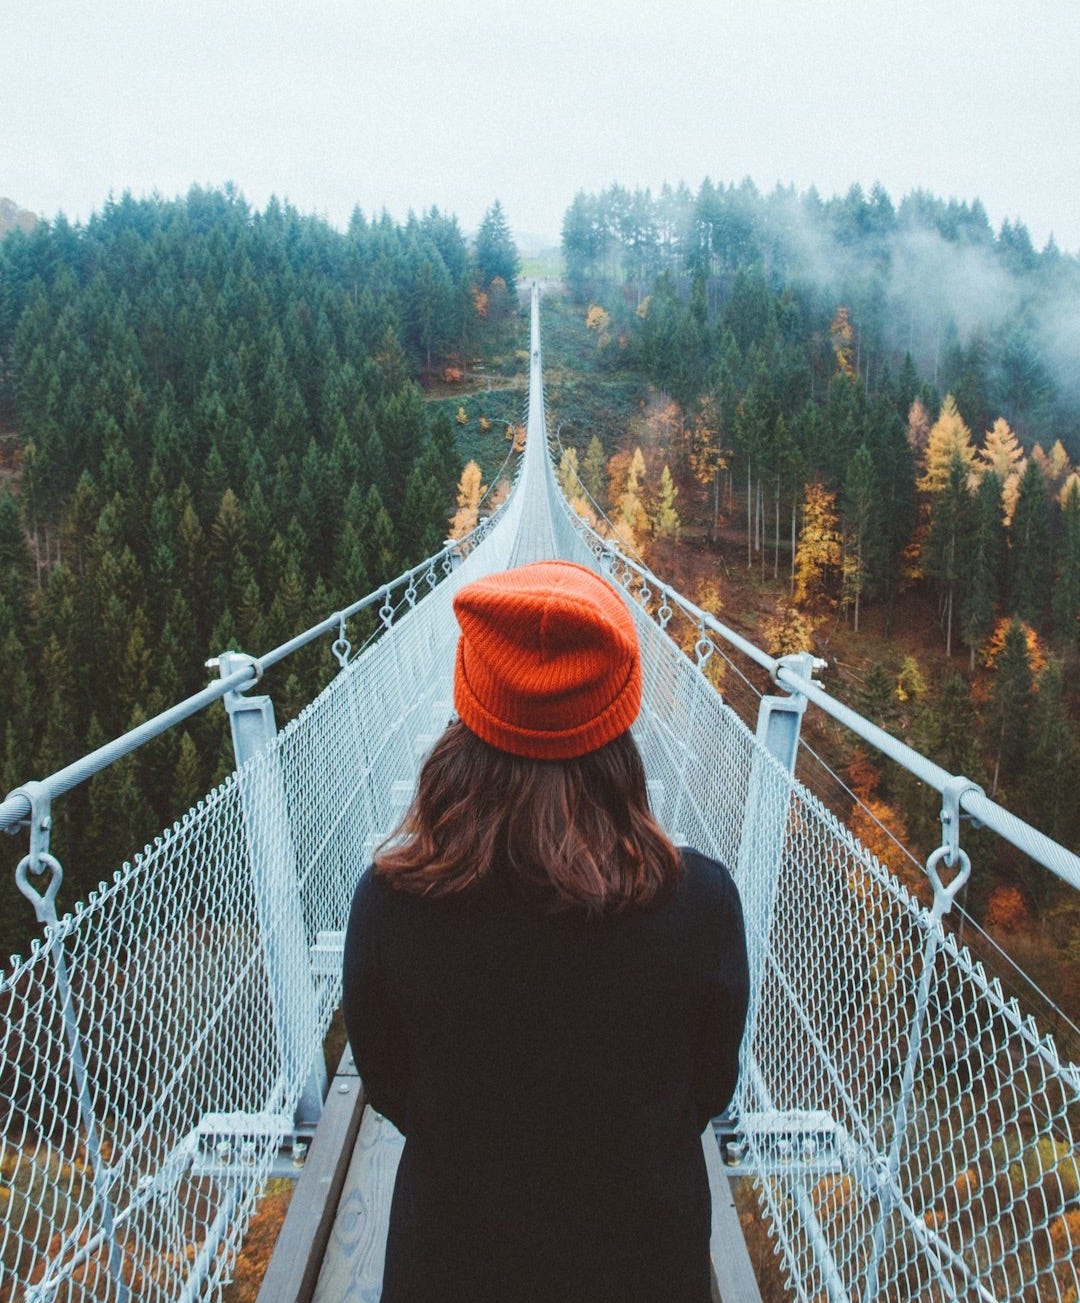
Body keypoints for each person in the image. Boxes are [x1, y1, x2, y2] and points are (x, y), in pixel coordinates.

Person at [342, 560, 749, 1303]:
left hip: (450, 1271)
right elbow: (708, 1088)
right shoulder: (702, 904)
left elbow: (390, 1083)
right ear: (619, 719)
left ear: (468, 708)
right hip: (644, 1272)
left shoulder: (388, 905)